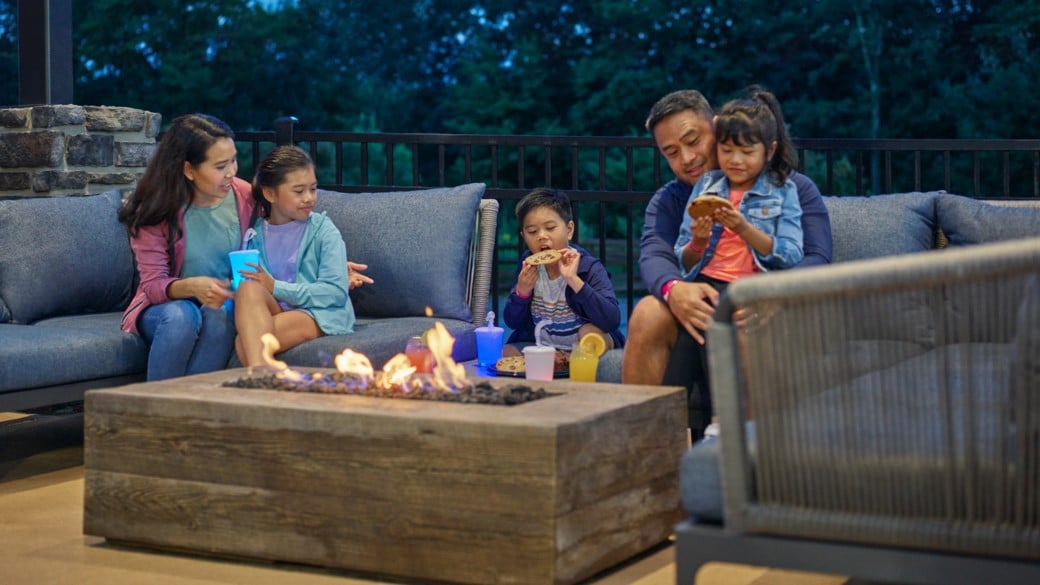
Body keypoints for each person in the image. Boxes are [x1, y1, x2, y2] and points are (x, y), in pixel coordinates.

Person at [623, 88, 833, 434]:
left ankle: (746, 459)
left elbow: (817, 256)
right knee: (647, 312)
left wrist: (773, 292)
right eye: (671, 152)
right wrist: (675, 290)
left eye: (693, 140)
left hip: (765, 310)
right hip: (699, 309)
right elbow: (654, 254)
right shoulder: (670, 199)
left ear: (717, 126)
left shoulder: (791, 188)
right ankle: (643, 449)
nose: (687, 158)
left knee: (743, 323)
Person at [119, 113, 256, 381]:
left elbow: (288, 234)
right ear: (188, 170)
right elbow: (153, 286)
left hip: (221, 303)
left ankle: (186, 410)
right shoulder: (156, 209)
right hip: (165, 308)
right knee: (183, 315)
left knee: (223, 311)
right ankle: (157, 410)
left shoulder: (246, 197)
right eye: (220, 166)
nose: (231, 172)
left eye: (233, 161)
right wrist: (193, 287)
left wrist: (328, 264)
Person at [232, 145, 355, 367]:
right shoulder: (254, 235)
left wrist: (275, 287)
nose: (309, 198)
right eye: (299, 191)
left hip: (317, 313)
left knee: (245, 343)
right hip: (277, 310)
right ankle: (264, 381)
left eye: (313, 189)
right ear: (270, 194)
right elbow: (256, 292)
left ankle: (259, 382)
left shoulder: (324, 230)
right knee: (248, 287)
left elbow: (335, 292)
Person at [502, 187, 625, 355]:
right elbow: (512, 322)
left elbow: (611, 320)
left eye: (550, 228)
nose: (541, 236)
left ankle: (576, 361)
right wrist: (521, 293)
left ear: (569, 230)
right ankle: (553, 362)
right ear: (524, 235)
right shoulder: (528, 266)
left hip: (582, 344)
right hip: (542, 345)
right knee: (508, 352)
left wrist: (574, 281)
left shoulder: (588, 267)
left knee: (592, 334)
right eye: (532, 231)